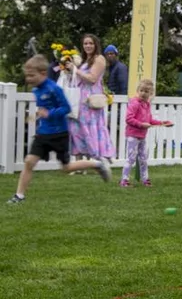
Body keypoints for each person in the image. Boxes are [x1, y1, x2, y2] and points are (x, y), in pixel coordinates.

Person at [7, 56, 112, 203]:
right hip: (43, 134)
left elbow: (66, 108)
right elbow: (45, 108)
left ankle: (97, 164)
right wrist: (39, 115)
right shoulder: (37, 89)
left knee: (66, 167)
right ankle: (19, 196)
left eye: (32, 75)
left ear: (43, 73)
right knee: (29, 162)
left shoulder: (54, 88)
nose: (28, 79)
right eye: (27, 75)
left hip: (59, 134)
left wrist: (49, 113)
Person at [68, 34, 115, 162]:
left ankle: (96, 157)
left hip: (90, 99)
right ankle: (79, 161)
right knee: (76, 128)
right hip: (79, 98)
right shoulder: (84, 60)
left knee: (90, 128)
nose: (88, 46)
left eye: (90, 43)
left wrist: (75, 70)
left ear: (96, 45)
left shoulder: (99, 59)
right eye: (85, 44)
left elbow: (92, 79)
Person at [120, 78, 173, 187]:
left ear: (151, 93)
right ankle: (124, 180)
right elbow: (129, 119)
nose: (143, 93)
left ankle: (145, 180)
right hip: (132, 135)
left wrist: (163, 123)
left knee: (143, 158)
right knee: (131, 158)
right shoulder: (134, 103)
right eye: (142, 90)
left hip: (142, 136)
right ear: (138, 90)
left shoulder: (147, 105)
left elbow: (150, 120)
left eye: (146, 91)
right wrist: (141, 124)